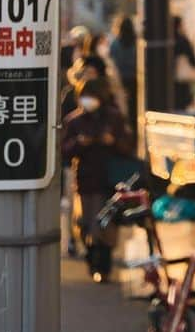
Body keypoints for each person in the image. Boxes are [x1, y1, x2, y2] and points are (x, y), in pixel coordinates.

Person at [59, 76, 135, 283]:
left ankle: (104, 265)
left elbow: (128, 147)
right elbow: (64, 151)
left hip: (110, 181)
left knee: (107, 226)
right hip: (85, 182)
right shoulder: (74, 121)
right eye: (84, 96)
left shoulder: (113, 118)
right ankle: (93, 260)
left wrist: (113, 142)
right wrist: (79, 144)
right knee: (86, 224)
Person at [108, 14, 138, 129]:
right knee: (135, 107)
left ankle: (125, 130)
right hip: (135, 79)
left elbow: (111, 62)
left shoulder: (115, 44)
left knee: (122, 107)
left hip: (120, 80)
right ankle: (135, 132)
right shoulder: (137, 43)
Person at [172, 15, 195, 112]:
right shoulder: (183, 40)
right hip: (182, 80)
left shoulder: (166, 41)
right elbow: (193, 61)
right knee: (182, 107)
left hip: (169, 83)